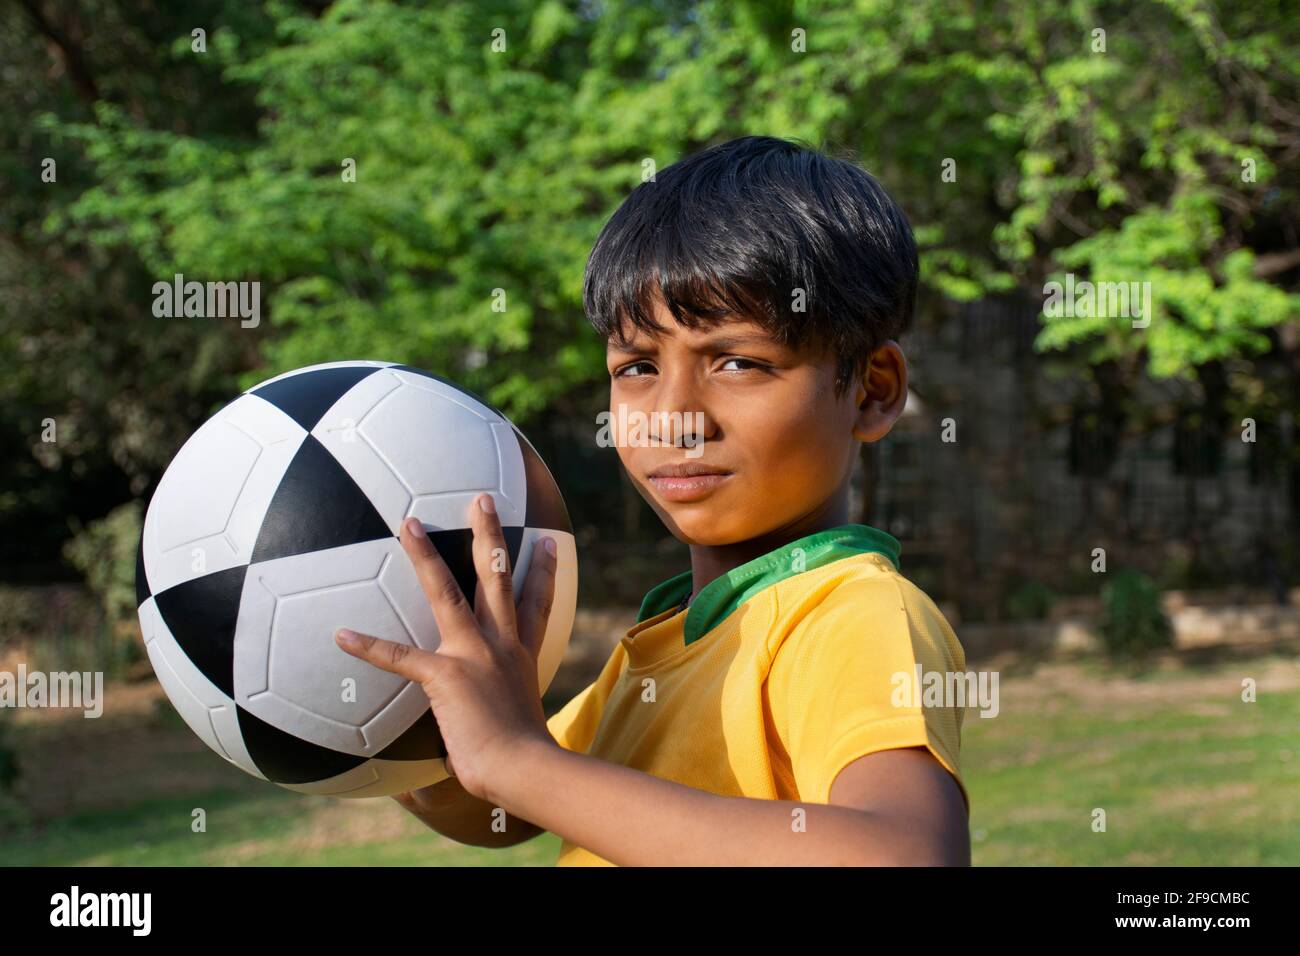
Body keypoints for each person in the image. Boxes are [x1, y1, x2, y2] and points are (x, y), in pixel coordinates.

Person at [336, 135, 970, 865]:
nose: (672, 415)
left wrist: (516, 762)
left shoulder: (851, 615)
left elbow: (905, 856)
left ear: (873, 388)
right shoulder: (666, 639)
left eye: (739, 362)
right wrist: (407, 735)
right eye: (637, 365)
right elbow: (504, 811)